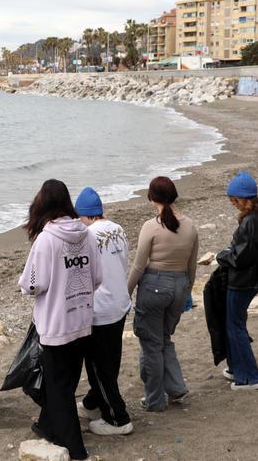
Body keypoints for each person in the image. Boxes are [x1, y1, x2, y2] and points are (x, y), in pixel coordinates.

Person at [18, 179, 101, 461]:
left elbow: (33, 284)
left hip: (56, 324)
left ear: (43, 204)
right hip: (82, 319)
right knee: (66, 384)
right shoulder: (87, 234)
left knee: (59, 389)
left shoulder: (47, 239)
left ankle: (75, 449)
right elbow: (97, 277)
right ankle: (48, 427)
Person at [126, 176, 198, 411]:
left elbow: (138, 265)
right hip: (179, 285)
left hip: (154, 286)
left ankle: (155, 399)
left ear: (151, 197)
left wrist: (125, 292)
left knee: (151, 344)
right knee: (164, 339)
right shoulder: (190, 226)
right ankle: (176, 388)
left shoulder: (151, 226)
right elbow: (192, 265)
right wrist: (187, 291)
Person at [73, 187, 134, 436]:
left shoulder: (87, 235)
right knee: (110, 359)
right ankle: (92, 402)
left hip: (101, 307)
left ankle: (117, 418)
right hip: (120, 302)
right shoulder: (118, 229)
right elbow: (123, 262)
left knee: (99, 365)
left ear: (84, 215)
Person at [216, 172, 258, 391]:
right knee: (235, 323)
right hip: (257, 278)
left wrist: (220, 255)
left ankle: (250, 377)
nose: (233, 204)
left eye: (234, 200)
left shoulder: (251, 221)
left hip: (244, 280)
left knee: (234, 326)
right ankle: (236, 367)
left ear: (244, 198)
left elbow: (241, 257)